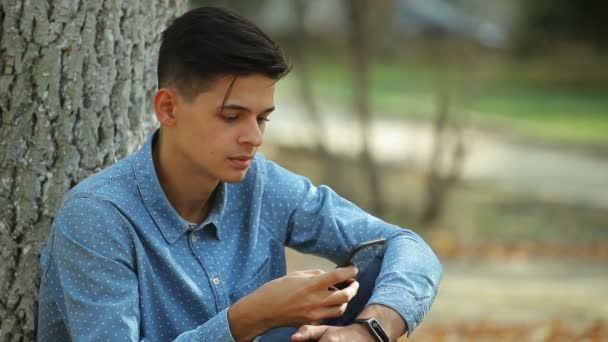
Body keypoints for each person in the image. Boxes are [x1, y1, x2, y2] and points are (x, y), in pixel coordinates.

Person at [37, 6, 441, 342]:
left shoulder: (262, 185)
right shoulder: (98, 218)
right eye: (232, 117)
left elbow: (407, 247)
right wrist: (249, 318)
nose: (254, 138)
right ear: (168, 108)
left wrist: (368, 330)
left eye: (262, 118)